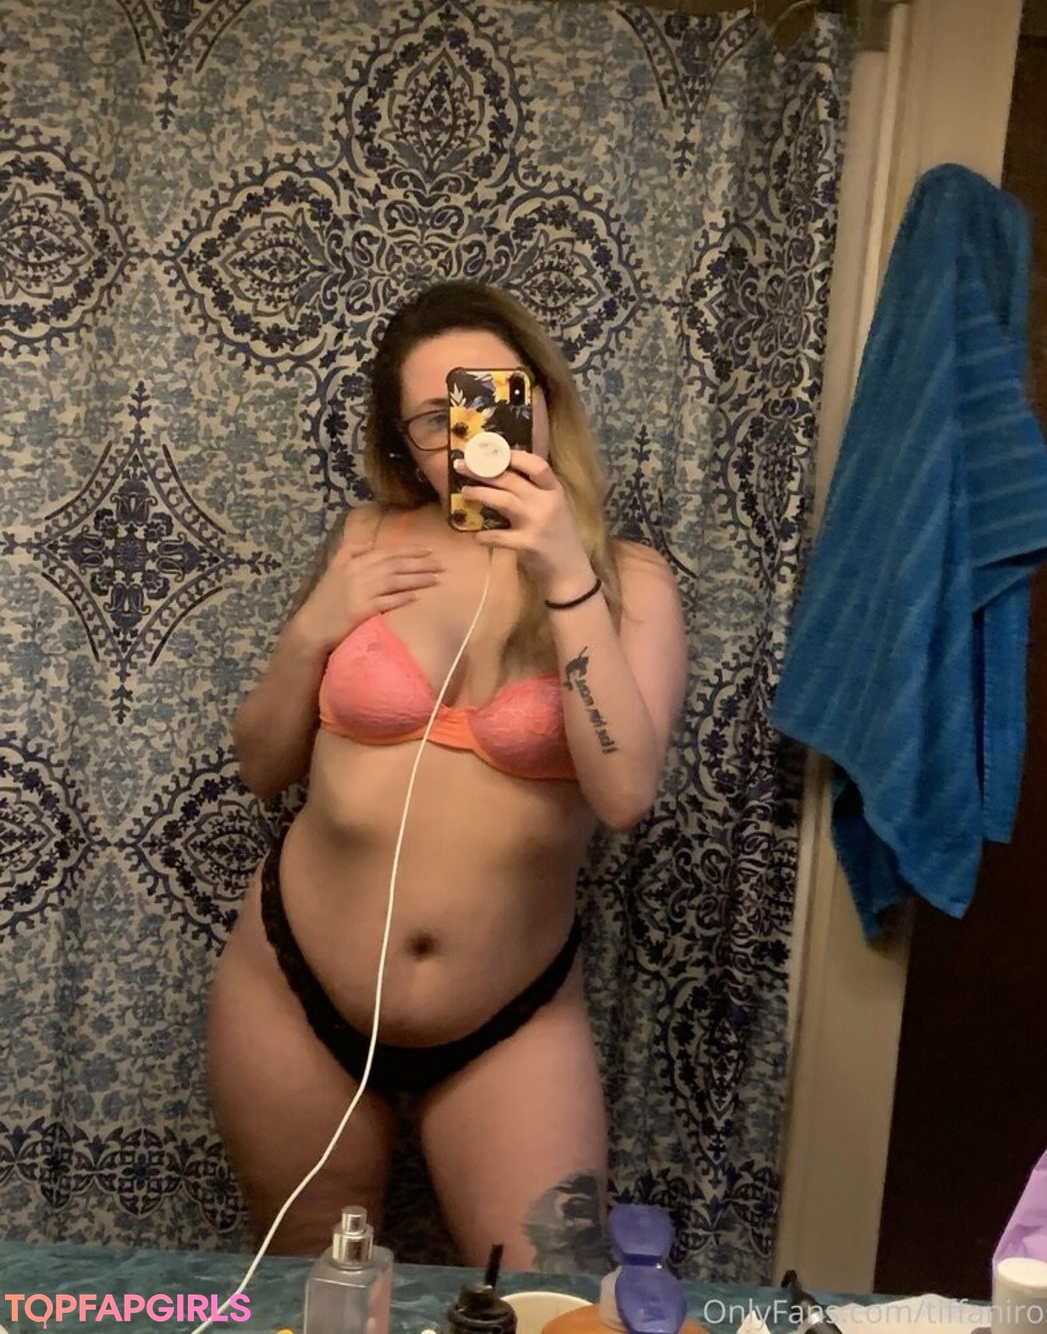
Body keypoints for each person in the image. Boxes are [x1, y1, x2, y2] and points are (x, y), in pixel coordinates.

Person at [207, 281, 687, 1272]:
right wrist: (312, 629)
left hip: (511, 1020)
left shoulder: (627, 580)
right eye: (437, 417)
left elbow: (624, 794)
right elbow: (261, 767)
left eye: (493, 395)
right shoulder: (365, 542)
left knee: (555, 1301)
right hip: (293, 991)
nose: (472, 435)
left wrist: (566, 578)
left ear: (544, 398)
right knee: (314, 1294)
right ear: (407, 446)